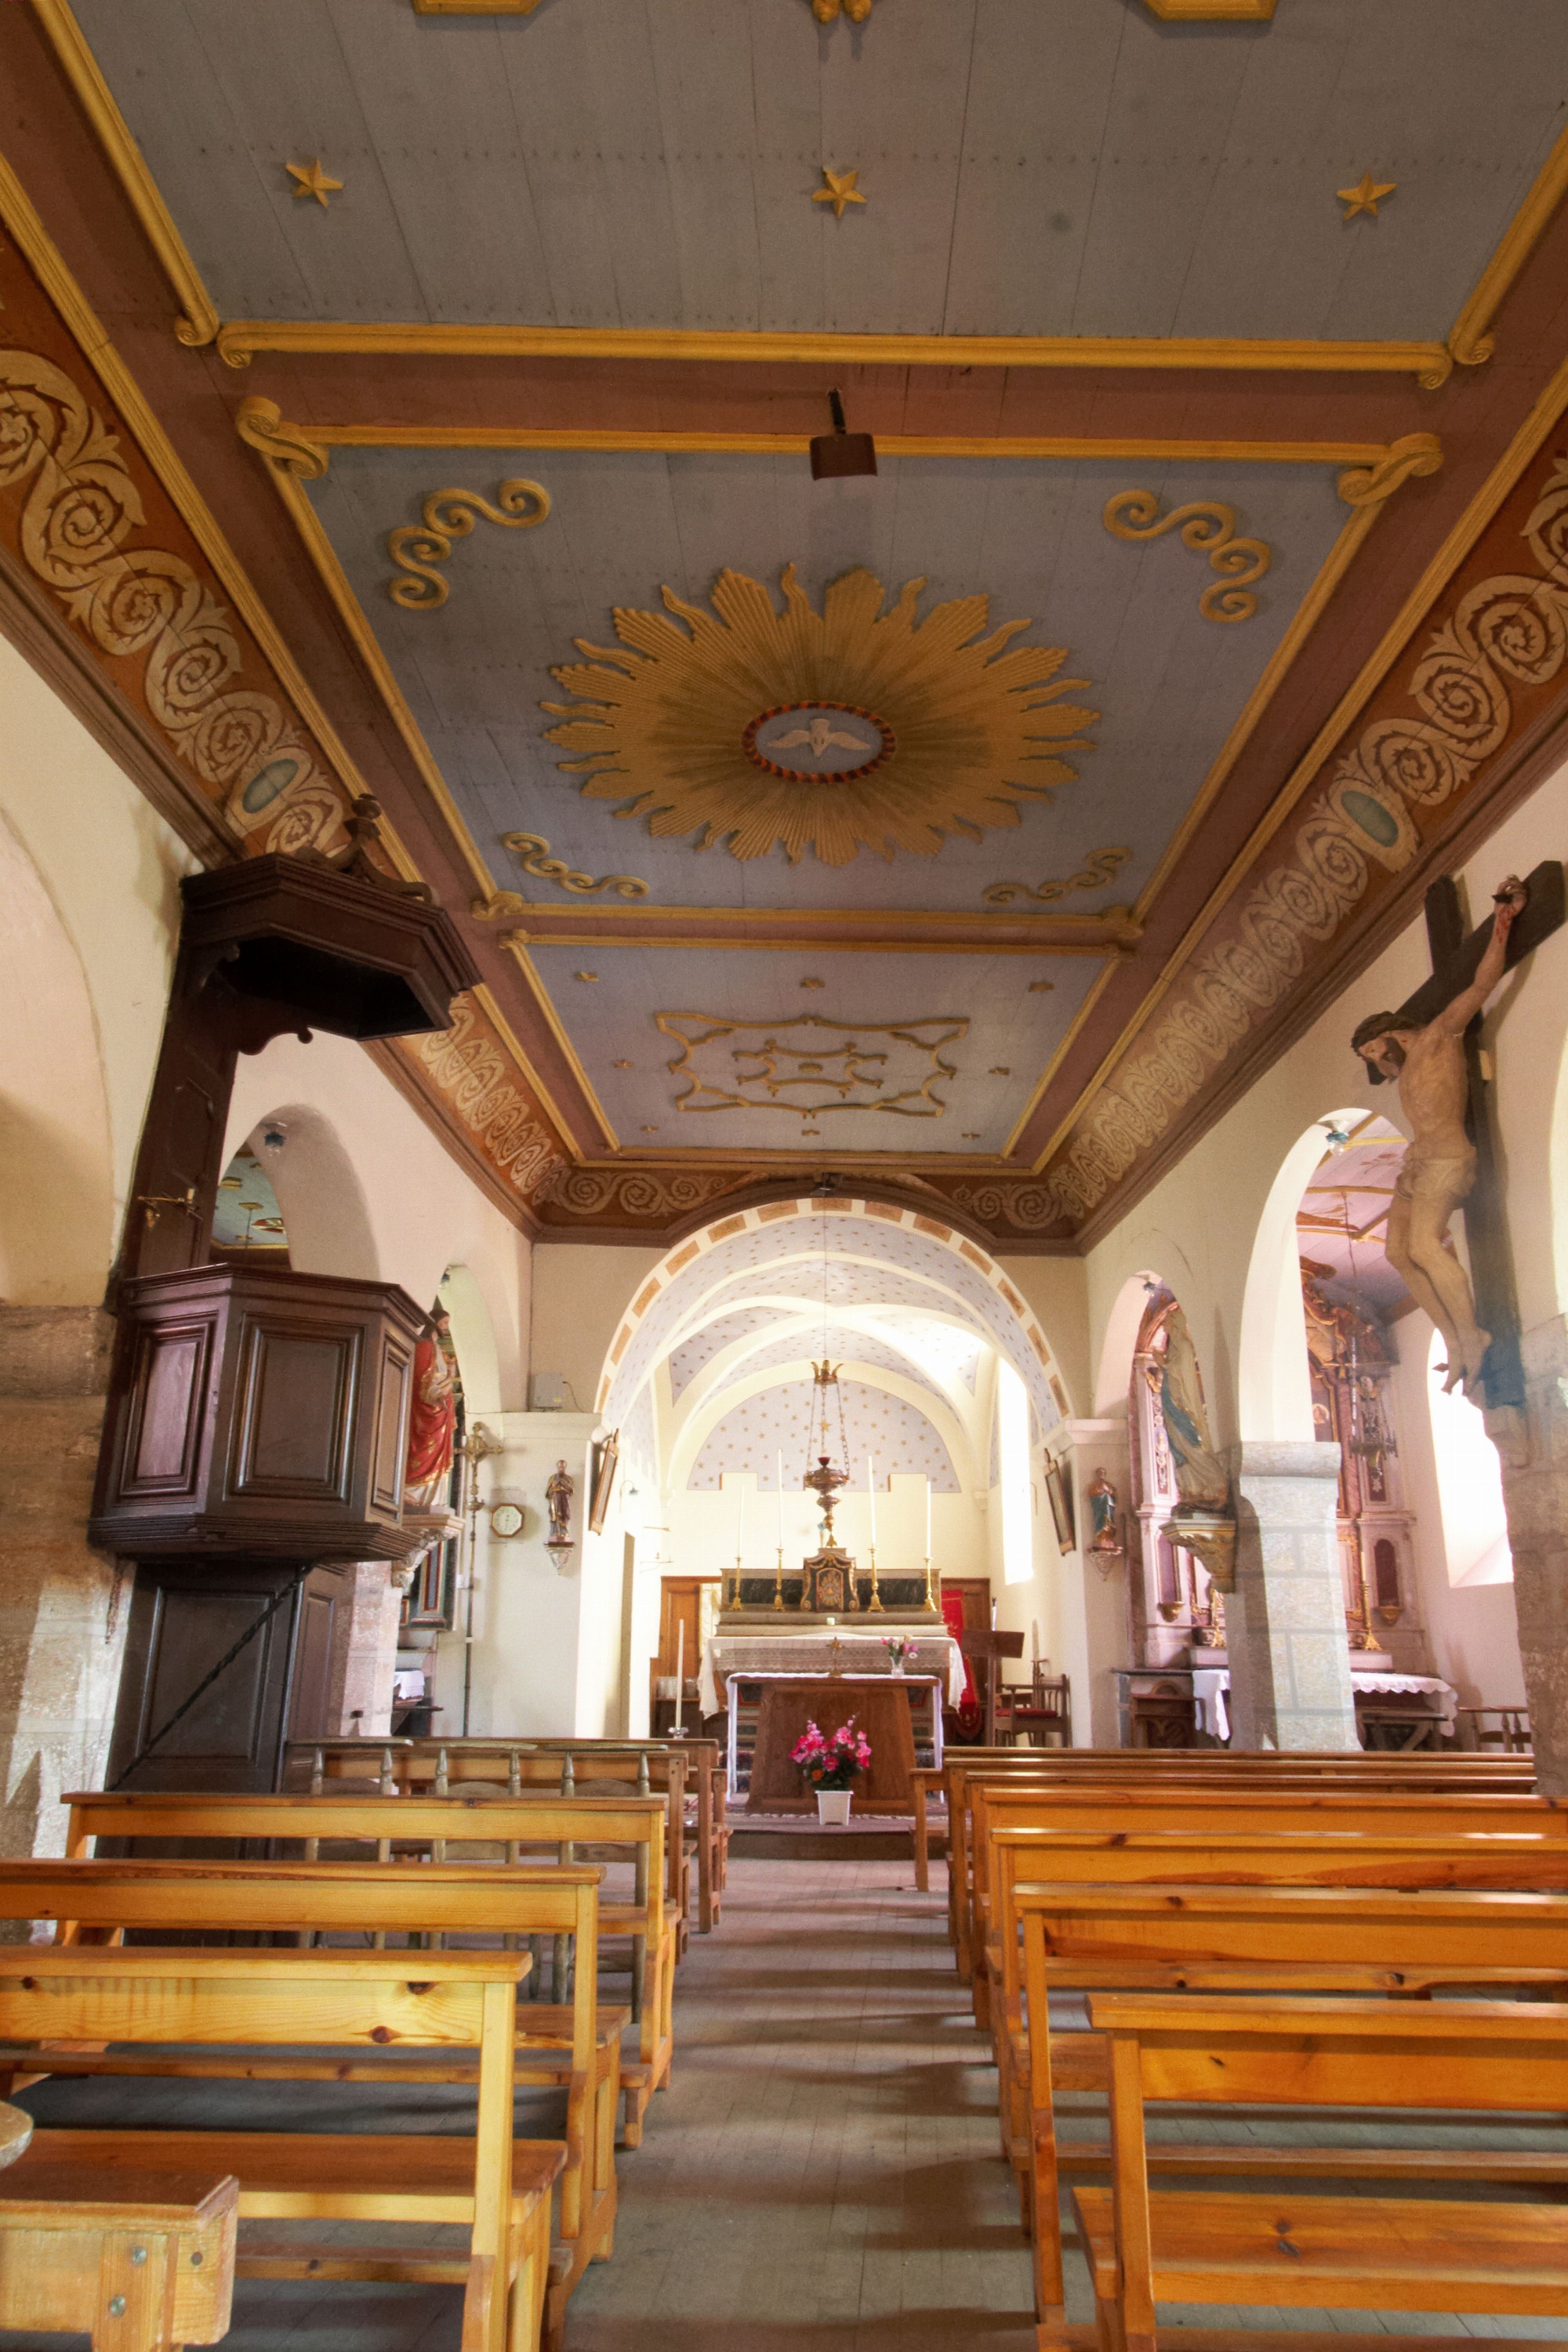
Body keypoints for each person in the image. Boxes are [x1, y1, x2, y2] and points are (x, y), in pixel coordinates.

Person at [1351, 874, 1527, 1393]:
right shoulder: (1403, 1070)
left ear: (1387, 1036)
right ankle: (1452, 1339)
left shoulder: (1440, 1036)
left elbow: (1480, 984)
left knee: (1427, 1247)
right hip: (1418, 1163)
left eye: (1375, 1055)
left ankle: (1472, 1335)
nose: (1379, 1068)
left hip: (1448, 1154)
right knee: (1396, 1254)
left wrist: (1504, 922)